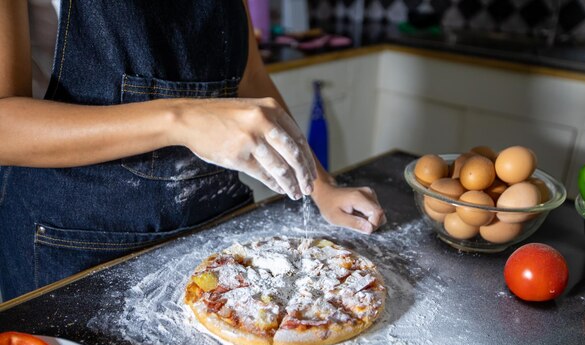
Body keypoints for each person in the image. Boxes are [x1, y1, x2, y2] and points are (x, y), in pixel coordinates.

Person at [0, 0, 386, 301]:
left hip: (220, 229)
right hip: (78, 245)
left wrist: (320, 186)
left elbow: (250, 78)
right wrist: (181, 119)